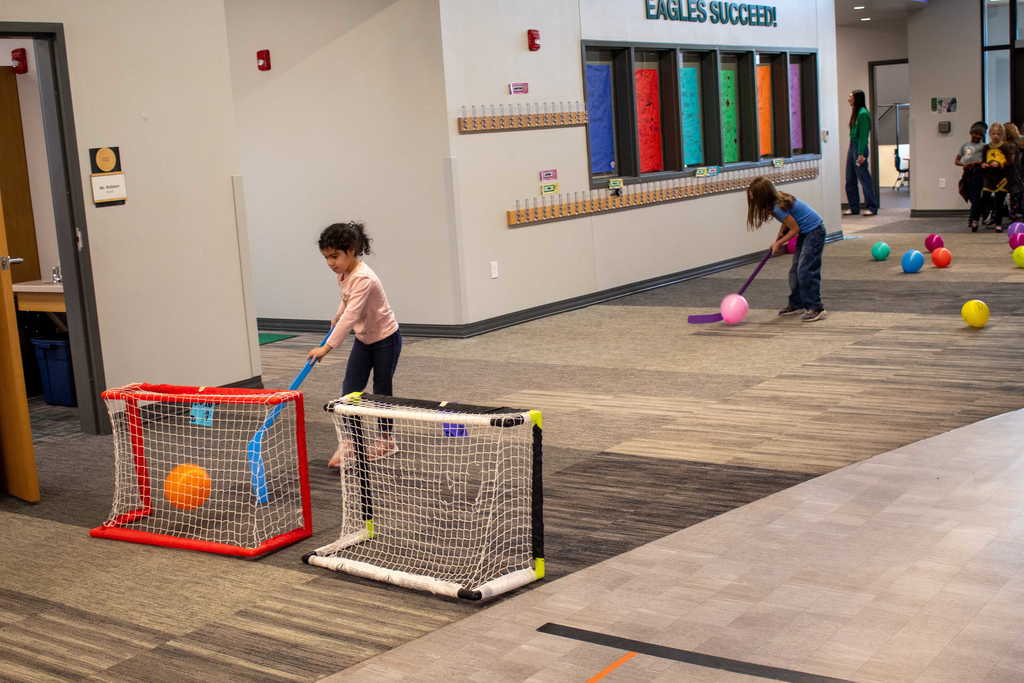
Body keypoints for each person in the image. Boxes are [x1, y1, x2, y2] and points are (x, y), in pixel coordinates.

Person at [308, 222, 402, 467]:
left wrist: (326, 347)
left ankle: (386, 440)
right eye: (326, 257)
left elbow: (353, 314)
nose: (330, 262)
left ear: (351, 250)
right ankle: (350, 441)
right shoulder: (344, 273)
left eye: (334, 256)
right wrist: (337, 314)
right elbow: (347, 302)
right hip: (364, 339)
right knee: (350, 391)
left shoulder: (364, 278)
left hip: (385, 340)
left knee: (382, 392)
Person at [747, 176, 827, 322]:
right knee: (795, 270)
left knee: (805, 269)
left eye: (753, 195)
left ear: (762, 196)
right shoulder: (777, 202)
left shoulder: (777, 208)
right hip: (806, 231)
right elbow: (788, 220)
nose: (750, 197)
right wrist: (780, 233)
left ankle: (816, 308)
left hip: (815, 231)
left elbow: (794, 229)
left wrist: (779, 243)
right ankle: (797, 304)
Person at [844, 90, 879, 217]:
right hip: (852, 145)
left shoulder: (863, 114)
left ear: (857, 99)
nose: (849, 99)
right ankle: (854, 207)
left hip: (860, 147)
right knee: (850, 178)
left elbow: (864, 136)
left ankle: (872, 207)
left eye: (850, 97)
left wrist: (861, 154)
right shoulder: (856, 113)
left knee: (864, 179)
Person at [980, 122, 1016, 232]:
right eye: (994, 133)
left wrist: (1000, 164)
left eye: (998, 134)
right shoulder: (986, 147)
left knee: (999, 201)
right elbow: (983, 160)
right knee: (985, 196)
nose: (996, 136)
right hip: (989, 176)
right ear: (990, 134)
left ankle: (998, 223)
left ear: (1002, 135)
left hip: (1002, 177)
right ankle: (988, 215)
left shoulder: (1005, 146)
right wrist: (983, 164)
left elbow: (1010, 162)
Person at [957, 121, 987, 232]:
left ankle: (974, 220)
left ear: (982, 136)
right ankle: (974, 217)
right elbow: (957, 161)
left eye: (980, 134)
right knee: (970, 196)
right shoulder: (965, 146)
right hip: (967, 174)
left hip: (978, 174)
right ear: (971, 133)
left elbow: (986, 160)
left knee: (976, 198)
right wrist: (964, 164)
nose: (977, 136)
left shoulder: (984, 147)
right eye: (975, 133)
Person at [1004, 122, 1024, 222]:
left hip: (1014, 171)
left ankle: (1014, 212)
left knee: (1014, 192)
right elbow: (1011, 160)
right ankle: (1014, 212)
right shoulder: (1012, 145)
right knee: (1015, 192)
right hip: (1014, 171)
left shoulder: (1017, 144)